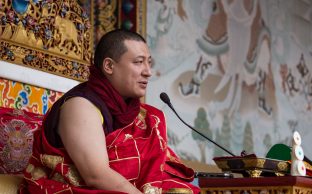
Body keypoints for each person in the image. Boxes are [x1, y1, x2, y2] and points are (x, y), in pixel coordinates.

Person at [20, 29, 200, 194]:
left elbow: (156, 170)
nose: (148, 72)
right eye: (138, 62)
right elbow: (96, 176)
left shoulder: (140, 115)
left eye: (149, 63)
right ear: (109, 66)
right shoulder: (80, 106)